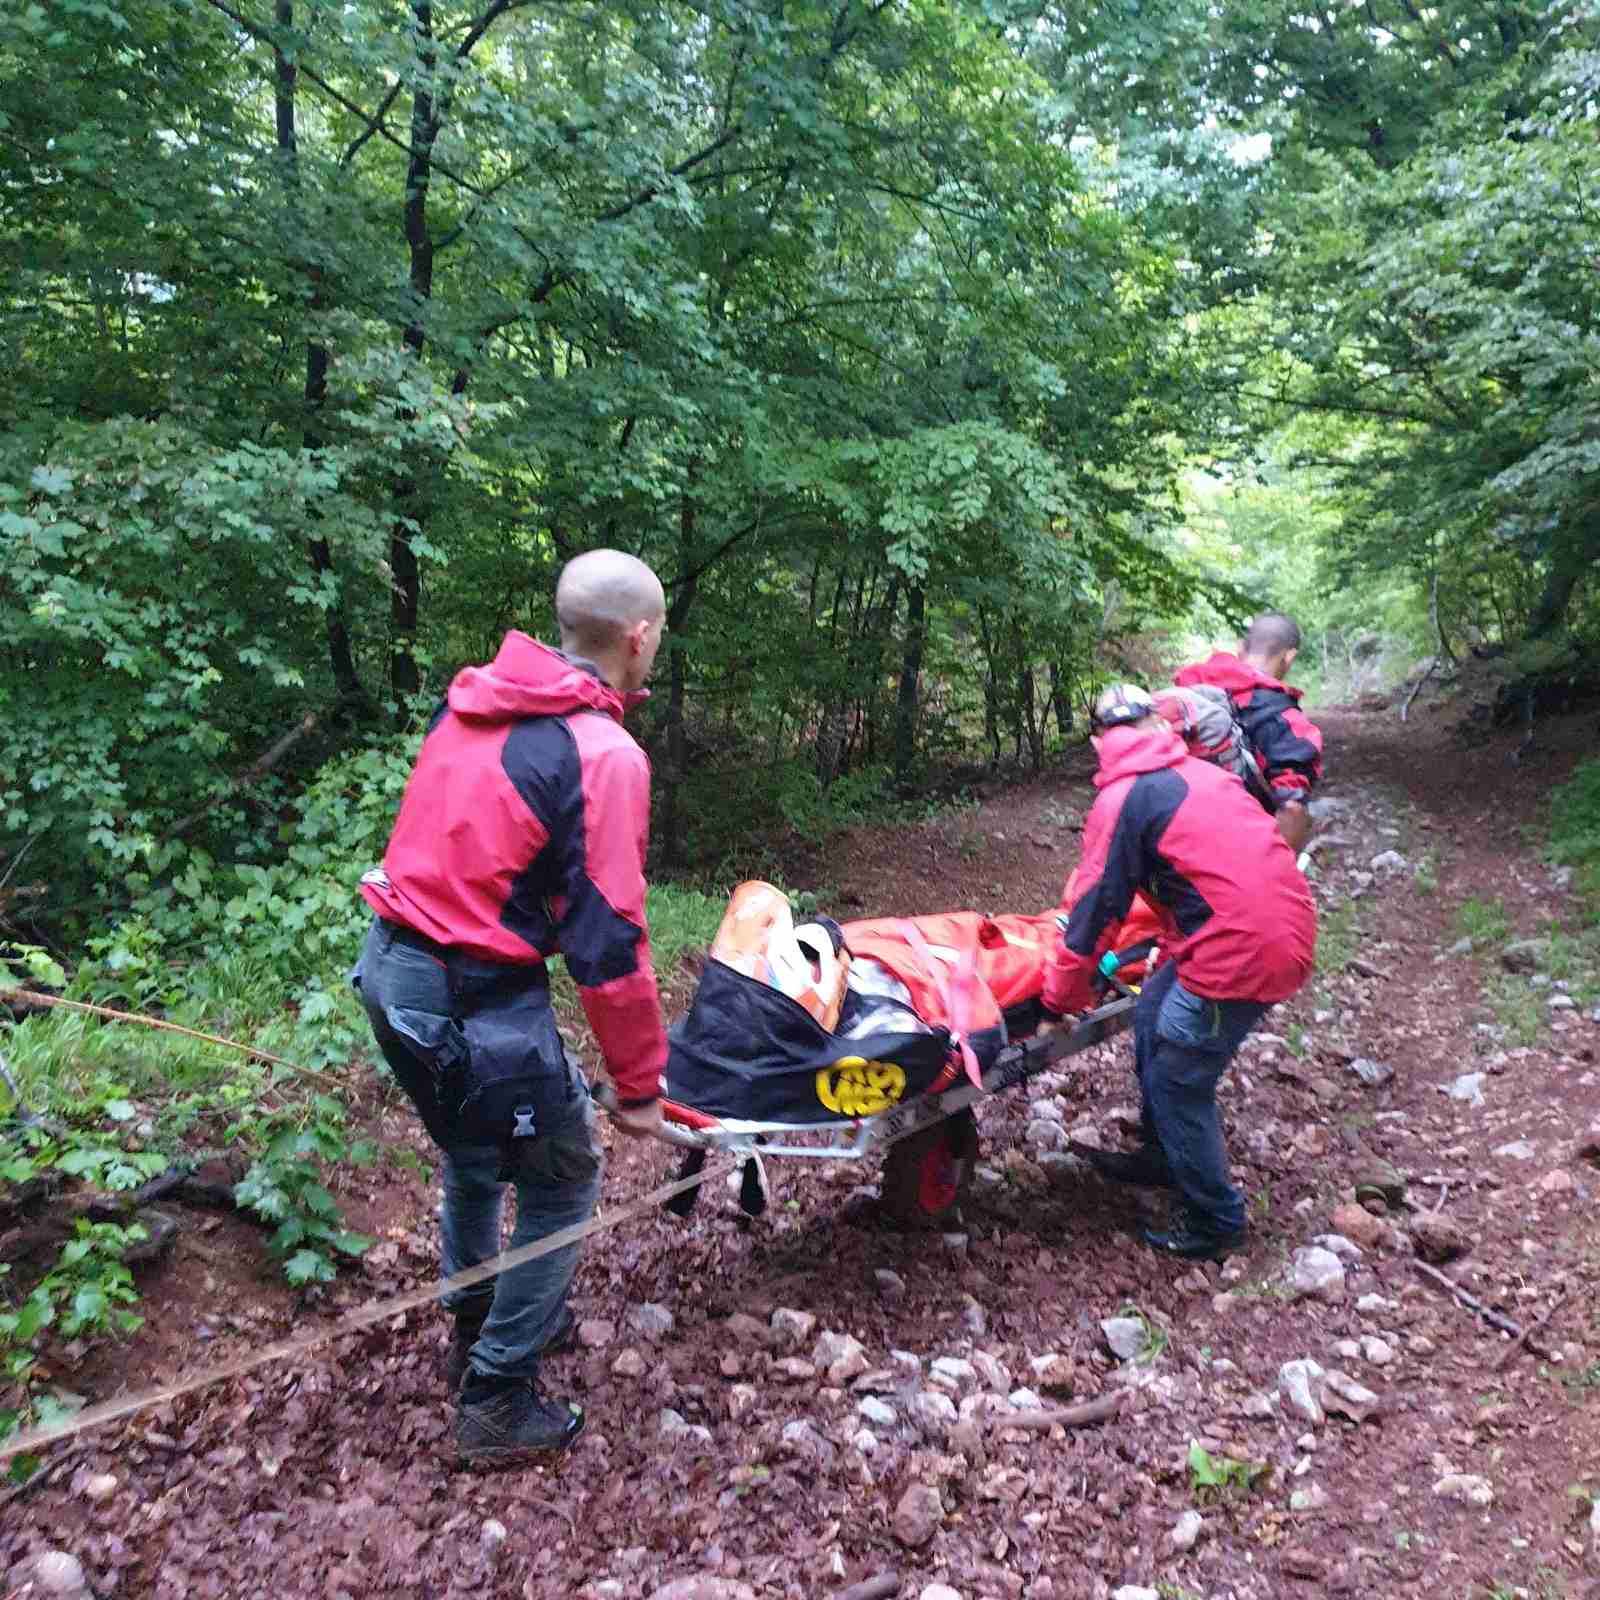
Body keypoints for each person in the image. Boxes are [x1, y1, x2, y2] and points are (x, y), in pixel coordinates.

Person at [353, 548, 669, 1467]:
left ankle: (477, 1317)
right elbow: (607, 941)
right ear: (639, 637)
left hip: (392, 973)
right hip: (466, 996)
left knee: (478, 1148)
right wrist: (639, 1083)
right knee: (566, 1173)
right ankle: (494, 1395)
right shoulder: (601, 754)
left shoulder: (474, 706)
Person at [1042, 683, 1316, 1261]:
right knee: (1153, 1010)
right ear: (1155, 726)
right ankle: (1164, 1154)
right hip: (1268, 927)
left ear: (1099, 743)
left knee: (1178, 1078)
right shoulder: (1202, 775)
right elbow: (1209, 874)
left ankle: (1216, 1220)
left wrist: (1060, 1000)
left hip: (1242, 949)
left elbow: (1095, 912)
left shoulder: (1123, 800)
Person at [1174, 612, 1324, 852]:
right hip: (1234, 853)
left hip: (1172, 846)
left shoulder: (1189, 693)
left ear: (1240, 648)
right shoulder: (1287, 720)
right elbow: (1292, 808)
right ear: (1290, 656)